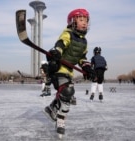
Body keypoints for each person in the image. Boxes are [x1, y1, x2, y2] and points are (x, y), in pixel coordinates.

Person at [43, 8, 93, 137]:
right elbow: (60, 45)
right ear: (72, 21)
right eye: (81, 19)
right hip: (58, 69)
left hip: (68, 71)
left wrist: (87, 68)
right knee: (68, 91)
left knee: (68, 96)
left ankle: (53, 110)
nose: (84, 22)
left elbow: (82, 58)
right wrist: (56, 53)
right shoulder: (67, 33)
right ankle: (59, 119)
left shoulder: (84, 42)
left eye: (86, 20)